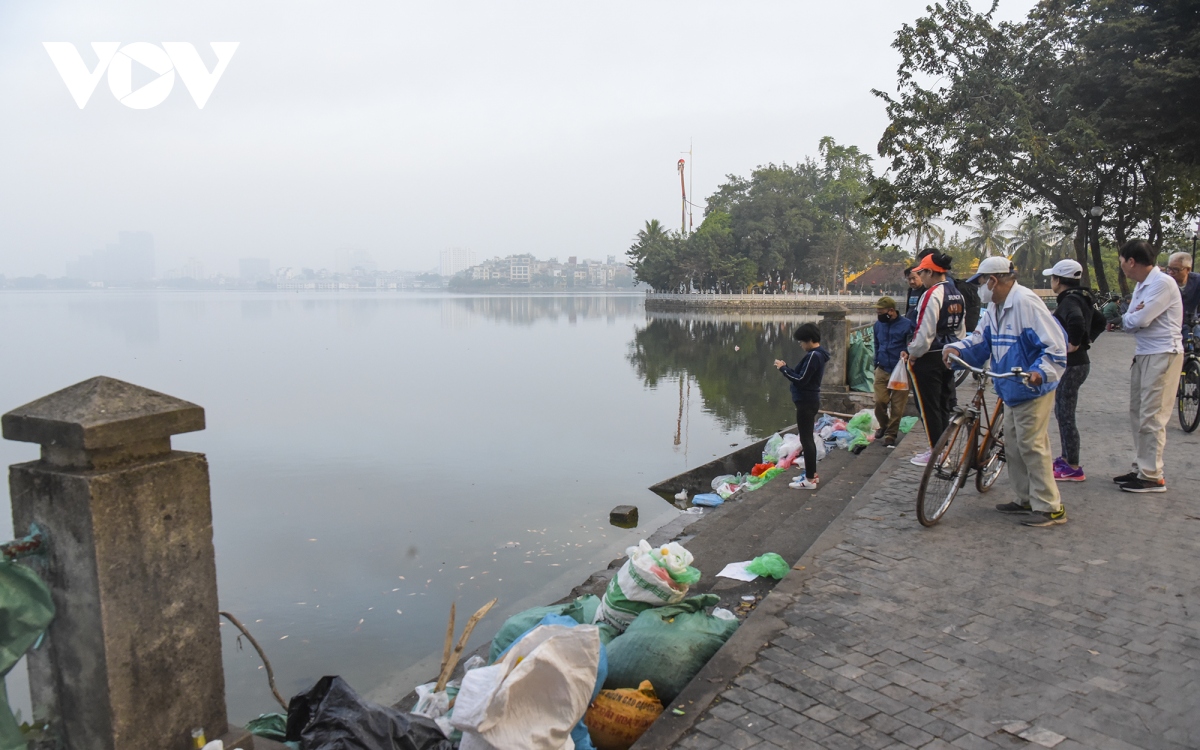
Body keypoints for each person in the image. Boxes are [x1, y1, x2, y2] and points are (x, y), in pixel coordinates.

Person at [944, 256, 1069, 527]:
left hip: (1031, 386)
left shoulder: (1026, 303)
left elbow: (1055, 347)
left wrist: (1040, 371)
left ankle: (1050, 506)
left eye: (980, 283)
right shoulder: (995, 309)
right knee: (1013, 445)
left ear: (993, 280)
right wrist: (957, 349)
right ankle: (1025, 498)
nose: (979, 289)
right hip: (1010, 386)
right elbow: (980, 339)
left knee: (1032, 445)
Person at [1114, 239, 1184, 493]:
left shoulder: (1162, 283)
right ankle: (1141, 466)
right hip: (1145, 353)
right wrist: (1134, 317)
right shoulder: (1144, 285)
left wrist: (1135, 317)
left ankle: (1152, 475)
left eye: (1121, 262)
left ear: (1131, 261)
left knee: (1153, 415)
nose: (1121, 267)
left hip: (1163, 353)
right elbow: (1129, 321)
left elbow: (1139, 319)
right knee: (1138, 411)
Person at [904, 251, 965, 466]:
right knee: (942, 405)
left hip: (928, 357)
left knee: (928, 407)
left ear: (930, 271)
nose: (921, 277)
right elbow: (960, 329)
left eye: (922, 272)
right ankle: (943, 449)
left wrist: (913, 354)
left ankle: (936, 452)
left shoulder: (932, 294)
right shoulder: (956, 293)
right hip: (948, 354)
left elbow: (924, 332)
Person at [1042, 259, 1094, 481]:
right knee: (1063, 412)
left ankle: (1072, 464)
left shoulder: (1069, 301)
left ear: (1058, 280)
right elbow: (1099, 321)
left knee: (1065, 414)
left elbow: (1076, 321)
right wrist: (1086, 341)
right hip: (1080, 362)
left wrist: (1073, 344)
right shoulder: (1082, 297)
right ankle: (1067, 458)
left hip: (1072, 365)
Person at [775, 323, 829, 490]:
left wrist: (783, 369)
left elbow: (801, 380)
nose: (800, 344)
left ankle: (810, 479)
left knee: (806, 440)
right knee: (807, 439)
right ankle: (811, 474)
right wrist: (787, 368)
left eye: (802, 341)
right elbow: (800, 375)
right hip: (807, 400)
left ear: (810, 340)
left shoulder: (814, 356)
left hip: (806, 401)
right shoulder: (817, 355)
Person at [872, 296, 915, 447]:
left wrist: (906, 352)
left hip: (901, 370)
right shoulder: (878, 325)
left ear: (891, 311)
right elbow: (876, 344)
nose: (879, 314)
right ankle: (884, 425)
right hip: (882, 368)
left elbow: (911, 343)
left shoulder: (907, 325)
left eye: (881, 311)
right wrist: (876, 361)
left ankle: (891, 434)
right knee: (880, 401)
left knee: (897, 406)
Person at [1163, 251, 1200, 340]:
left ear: (1188, 269)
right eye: (1169, 269)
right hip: (1169, 326)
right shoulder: (1163, 281)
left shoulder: (1197, 281)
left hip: (1192, 323)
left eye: (1175, 269)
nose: (1171, 273)